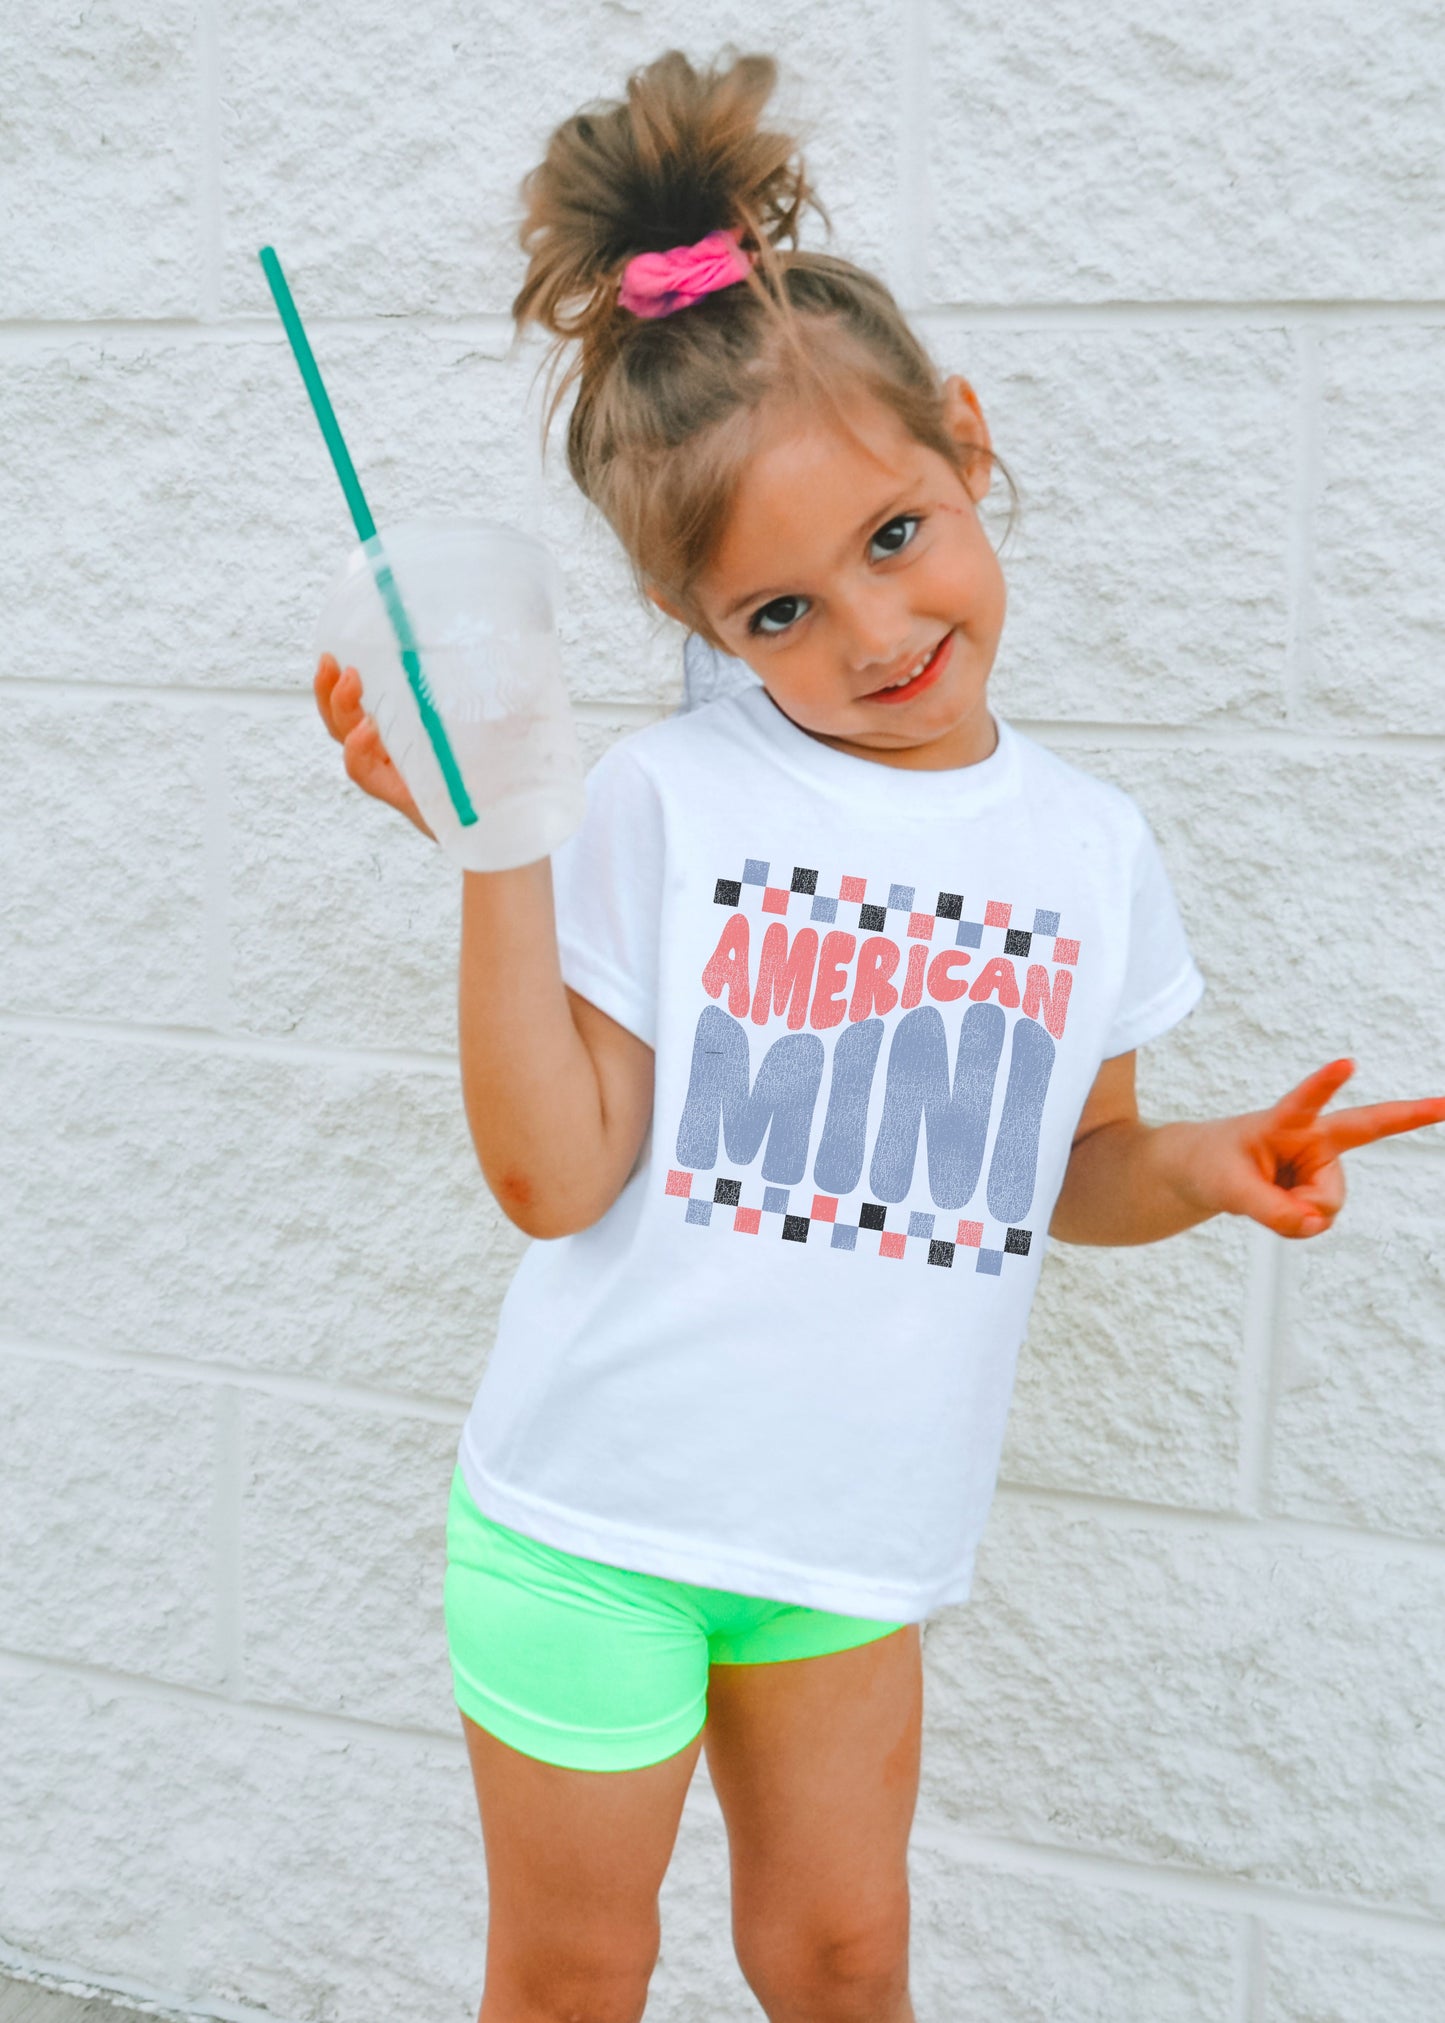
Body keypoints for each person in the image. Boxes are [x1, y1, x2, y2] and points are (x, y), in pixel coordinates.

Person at [312, 48, 1445, 2023]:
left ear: (966, 447)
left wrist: (1203, 1164)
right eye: (776, 611)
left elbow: (1066, 1167)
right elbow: (553, 1180)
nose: (870, 633)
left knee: (844, 1961)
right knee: (573, 1978)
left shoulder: (1087, 849)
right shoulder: (663, 803)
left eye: (895, 537)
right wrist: (498, 846)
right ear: (695, 617)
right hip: (592, 1526)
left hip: (844, 1547)